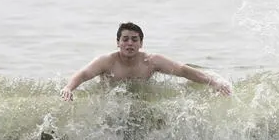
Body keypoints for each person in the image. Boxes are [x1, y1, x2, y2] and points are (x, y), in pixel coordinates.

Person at [60, 22, 232, 100]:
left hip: (140, 102)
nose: (129, 43)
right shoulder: (107, 61)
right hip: (110, 103)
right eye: (125, 39)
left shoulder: (151, 61)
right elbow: (83, 74)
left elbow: (183, 70)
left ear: (141, 43)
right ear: (117, 42)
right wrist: (69, 88)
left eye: (134, 39)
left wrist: (213, 82)